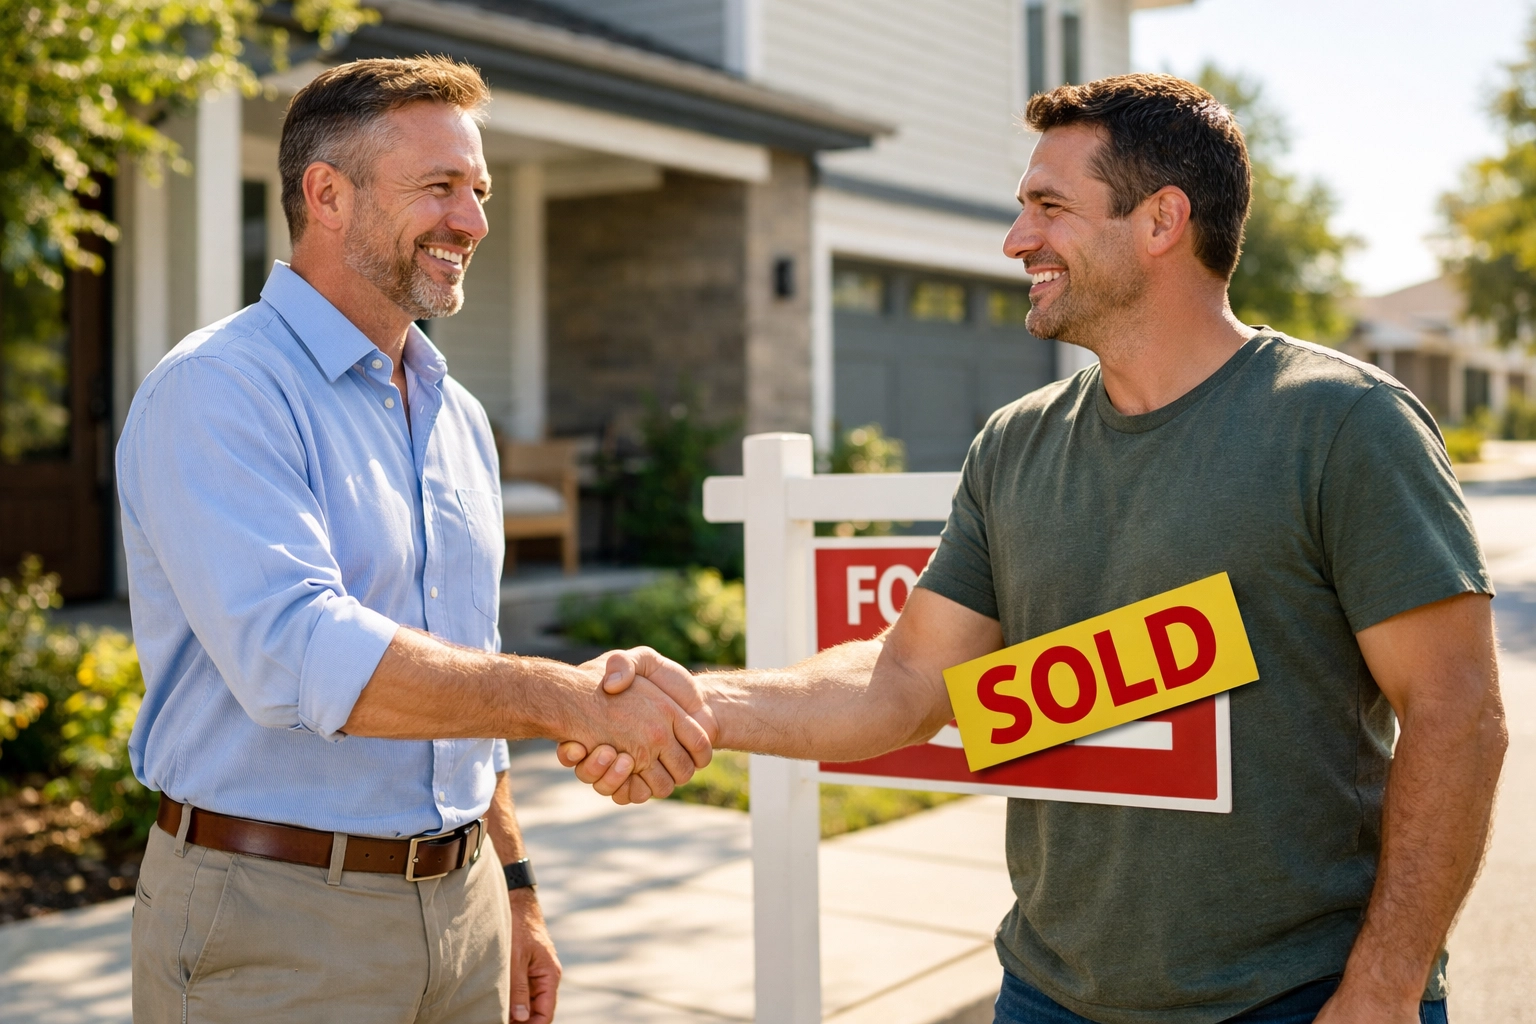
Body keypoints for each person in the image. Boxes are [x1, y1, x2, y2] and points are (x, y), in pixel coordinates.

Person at [560, 75, 1508, 1024]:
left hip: (1297, 998)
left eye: (1048, 208)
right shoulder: (1017, 443)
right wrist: (697, 703)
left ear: (1161, 221)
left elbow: (1457, 713)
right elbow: (907, 682)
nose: (1017, 241)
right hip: (1052, 994)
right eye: (1022, 209)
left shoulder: (1342, 426)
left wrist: (1381, 987)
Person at [118, 57, 710, 1024]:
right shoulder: (220, 390)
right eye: (440, 187)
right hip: (274, 922)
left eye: (477, 190)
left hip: (465, 907)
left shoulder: (455, 414)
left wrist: (514, 888)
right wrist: (568, 696)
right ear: (327, 195)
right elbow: (298, 652)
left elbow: (464, 669)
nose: (473, 221)